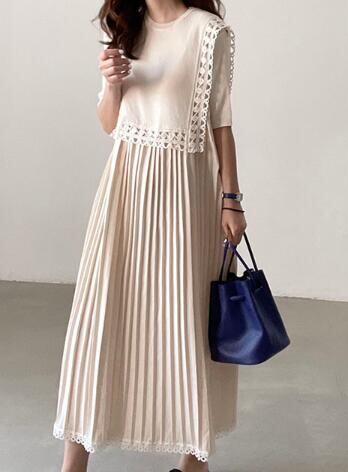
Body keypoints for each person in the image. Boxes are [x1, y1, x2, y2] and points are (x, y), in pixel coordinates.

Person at [52, 1, 246, 471]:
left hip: (186, 190)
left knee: (186, 316)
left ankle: (192, 461)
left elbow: (221, 124)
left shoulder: (208, 32)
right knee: (99, 316)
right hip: (126, 185)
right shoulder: (125, 29)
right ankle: (73, 462)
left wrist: (232, 198)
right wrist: (112, 85)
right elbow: (108, 123)